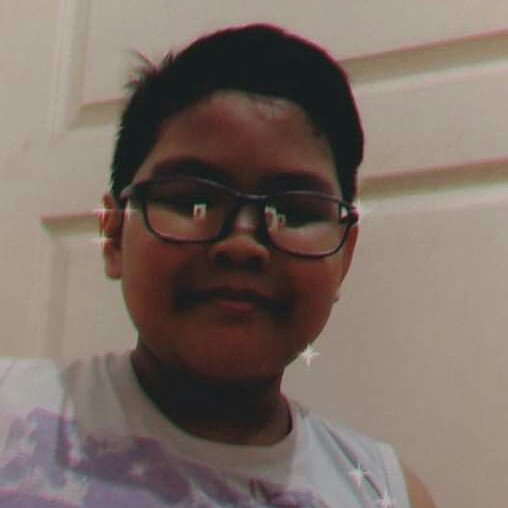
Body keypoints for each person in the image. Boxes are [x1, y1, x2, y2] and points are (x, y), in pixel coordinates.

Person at [0, 24, 436, 507]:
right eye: (193, 201)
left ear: (344, 255)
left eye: (294, 211)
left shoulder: (384, 493)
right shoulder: (11, 413)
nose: (242, 245)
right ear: (114, 233)